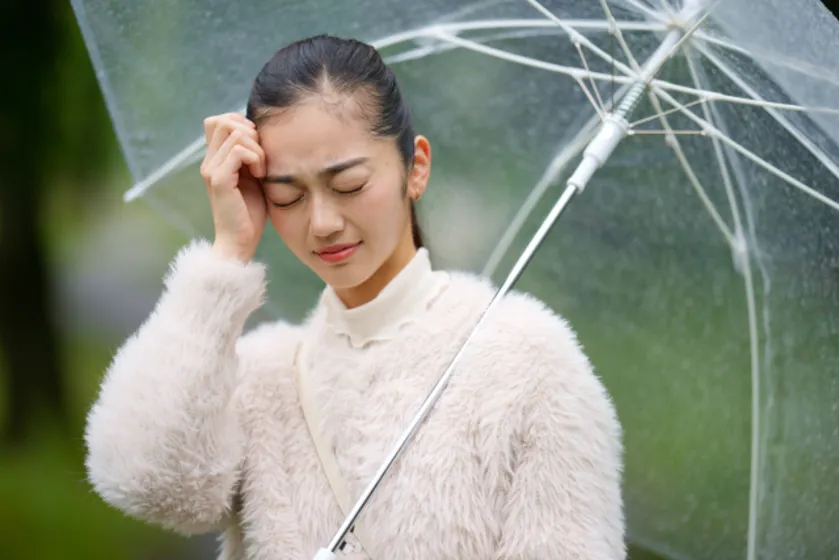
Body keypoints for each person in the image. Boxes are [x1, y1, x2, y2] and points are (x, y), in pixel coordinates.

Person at [84, 34, 626, 560]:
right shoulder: (261, 377)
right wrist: (228, 253)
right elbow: (146, 480)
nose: (322, 223)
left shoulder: (526, 365)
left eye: (348, 186)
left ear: (415, 168)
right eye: (287, 196)